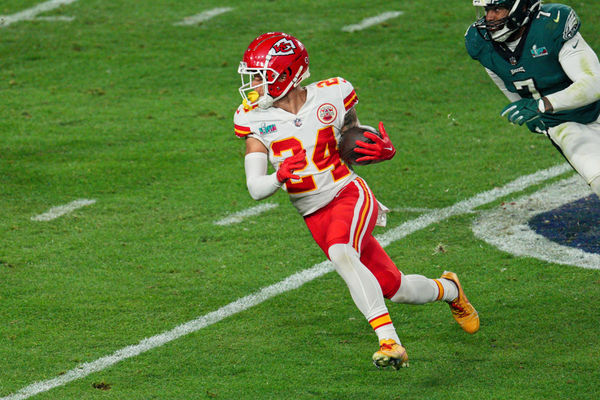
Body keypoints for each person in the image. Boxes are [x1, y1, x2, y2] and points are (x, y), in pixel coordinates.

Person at [233, 32, 479, 369]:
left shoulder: (332, 94)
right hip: (313, 214)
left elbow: (355, 141)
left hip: (347, 192)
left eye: (262, 78)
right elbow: (255, 188)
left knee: (341, 253)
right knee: (396, 287)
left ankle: (390, 342)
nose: (255, 87)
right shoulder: (251, 118)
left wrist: (381, 151)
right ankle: (451, 290)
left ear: (288, 75)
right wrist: (277, 177)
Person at [465, 0, 600, 196]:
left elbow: (594, 83)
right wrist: (523, 109)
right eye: (487, 10)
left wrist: (542, 104)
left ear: (520, 7)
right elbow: (500, 77)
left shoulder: (551, 24)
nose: (489, 18)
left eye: (497, 9)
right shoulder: (480, 42)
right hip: (563, 124)